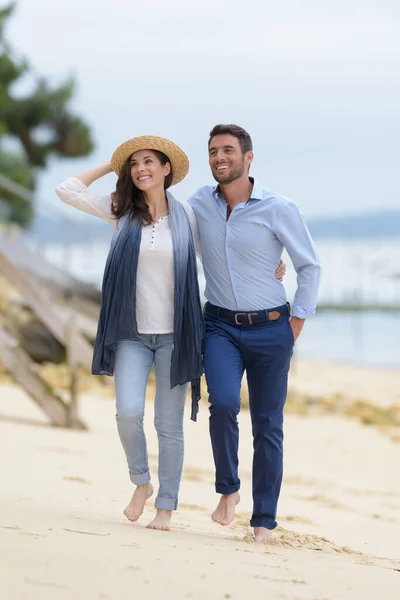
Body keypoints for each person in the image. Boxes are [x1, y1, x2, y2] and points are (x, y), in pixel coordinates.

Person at [55, 133, 288, 532]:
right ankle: (141, 482)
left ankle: (166, 506)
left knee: (168, 424)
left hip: (176, 336)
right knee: (127, 413)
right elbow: (67, 190)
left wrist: (274, 261)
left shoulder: (190, 217)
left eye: (149, 161)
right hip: (131, 332)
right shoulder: (119, 210)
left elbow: (225, 253)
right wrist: (114, 163)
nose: (140, 169)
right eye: (135, 163)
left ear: (167, 169)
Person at [188, 124, 322, 542]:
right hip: (220, 326)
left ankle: (264, 519)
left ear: (249, 158)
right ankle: (228, 489)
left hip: (271, 328)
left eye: (227, 150)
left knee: (267, 424)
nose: (219, 157)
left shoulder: (279, 208)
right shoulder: (197, 205)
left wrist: (295, 322)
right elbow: (178, 249)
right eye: (213, 151)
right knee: (223, 403)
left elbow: (309, 266)